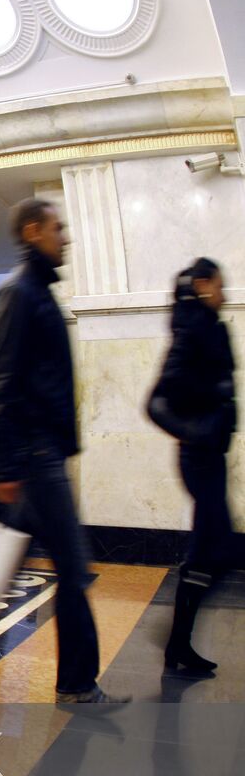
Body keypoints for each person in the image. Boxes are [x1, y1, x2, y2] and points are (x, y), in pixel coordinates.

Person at [0, 198, 125, 709]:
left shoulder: (36, 294)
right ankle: (77, 684)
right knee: (73, 571)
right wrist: (6, 467)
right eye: (59, 229)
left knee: (5, 560)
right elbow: (3, 386)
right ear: (33, 230)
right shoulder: (19, 294)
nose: (67, 238)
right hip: (34, 458)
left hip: (41, 454)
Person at [147, 257, 235, 677]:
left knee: (212, 550)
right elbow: (156, 402)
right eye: (219, 285)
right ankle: (176, 640)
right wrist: (195, 431)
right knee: (213, 550)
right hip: (199, 456)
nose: (225, 292)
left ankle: (178, 643)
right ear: (202, 284)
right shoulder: (192, 333)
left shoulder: (208, 330)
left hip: (210, 455)